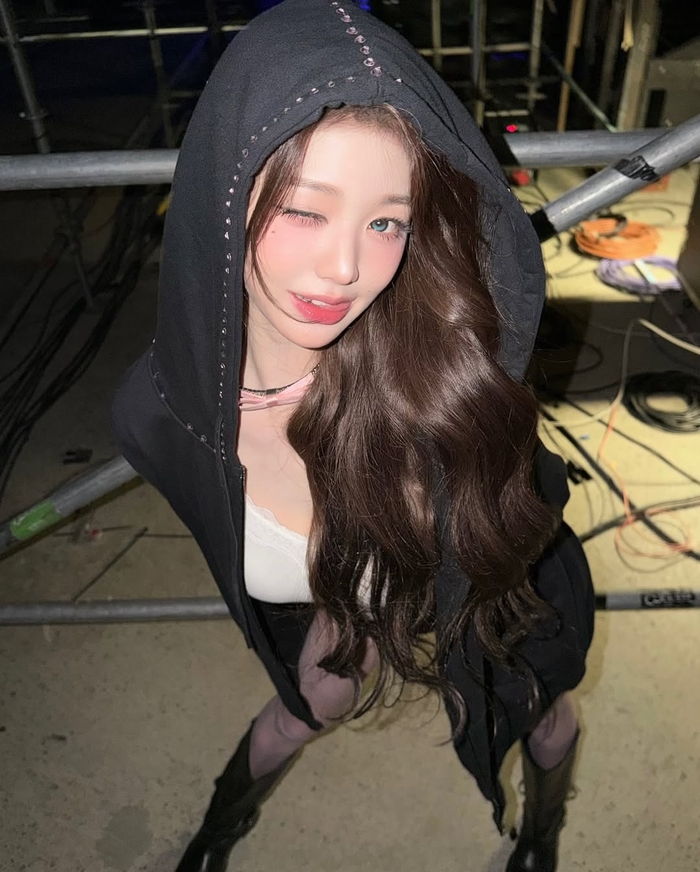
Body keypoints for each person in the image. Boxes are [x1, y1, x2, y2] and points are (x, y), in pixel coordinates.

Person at [111, 1, 595, 871]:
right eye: (306, 211)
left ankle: (542, 837)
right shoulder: (157, 418)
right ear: (225, 196)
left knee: (540, 715)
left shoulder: (436, 379)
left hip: (494, 591)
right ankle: (218, 833)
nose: (345, 269)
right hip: (349, 601)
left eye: (385, 223)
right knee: (305, 706)